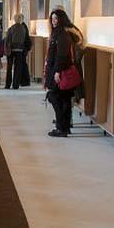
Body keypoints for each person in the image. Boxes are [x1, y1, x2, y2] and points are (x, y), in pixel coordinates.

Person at [44, 9, 82, 137]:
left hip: (61, 72)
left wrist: (57, 72)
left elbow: (61, 56)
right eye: (52, 19)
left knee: (55, 98)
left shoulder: (62, 35)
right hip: (60, 70)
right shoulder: (58, 33)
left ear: (61, 19)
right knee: (64, 99)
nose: (53, 21)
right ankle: (64, 127)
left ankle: (61, 127)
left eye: (56, 19)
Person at [4, 13, 31, 90]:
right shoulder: (23, 29)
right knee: (18, 68)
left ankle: (8, 84)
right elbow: (25, 40)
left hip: (11, 50)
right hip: (20, 50)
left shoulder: (11, 28)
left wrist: (6, 49)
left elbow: (7, 39)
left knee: (9, 67)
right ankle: (15, 85)